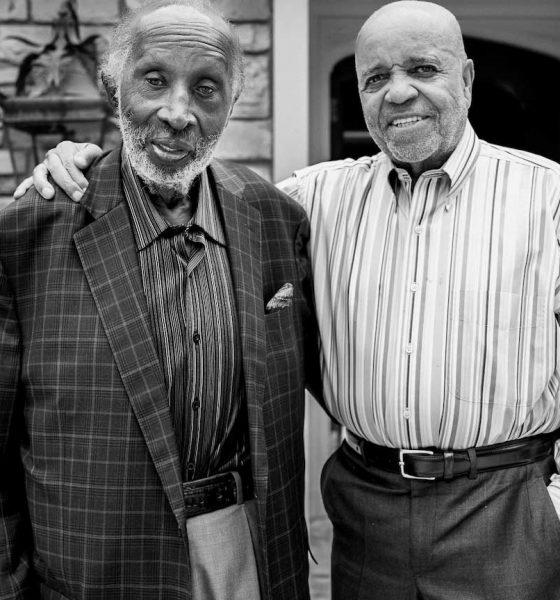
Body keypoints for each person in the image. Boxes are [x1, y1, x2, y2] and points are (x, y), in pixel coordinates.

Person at [15, 1, 560, 598]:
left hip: (506, 506)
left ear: (468, 78)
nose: (399, 94)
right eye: (376, 79)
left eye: (424, 70)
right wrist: (76, 160)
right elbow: (180, 185)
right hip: (367, 510)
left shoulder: (547, 199)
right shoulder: (311, 200)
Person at [0, 1, 320, 599]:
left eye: (206, 88)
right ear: (114, 87)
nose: (179, 113)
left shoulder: (275, 217)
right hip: (95, 570)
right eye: (154, 80)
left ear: (230, 103)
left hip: (249, 554)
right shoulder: (27, 232)